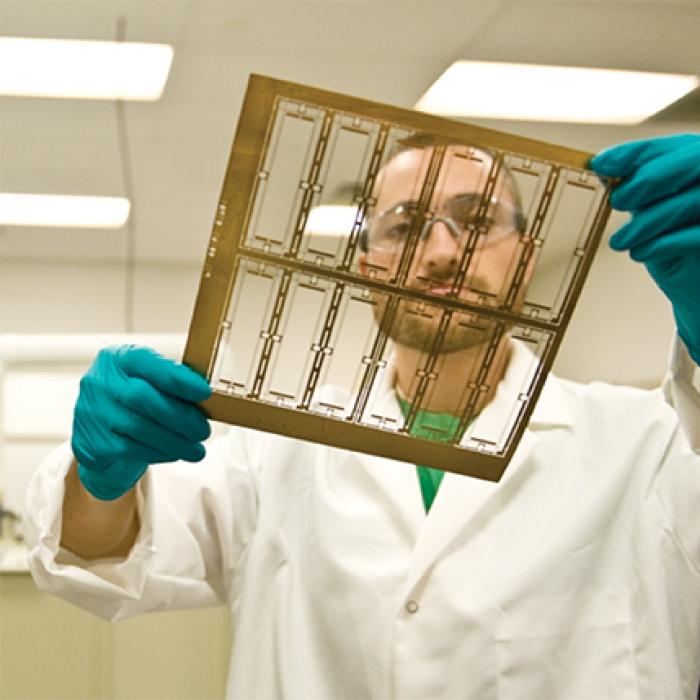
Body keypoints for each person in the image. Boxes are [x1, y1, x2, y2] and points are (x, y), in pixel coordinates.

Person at [24, 133, 700, 699]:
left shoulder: (653, 444)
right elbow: (99, 556)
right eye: (405, 228)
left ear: (524, 259)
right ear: (368, 267)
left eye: (475, 220)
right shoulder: (275, 456)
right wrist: (99, 474)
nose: (440, 253)